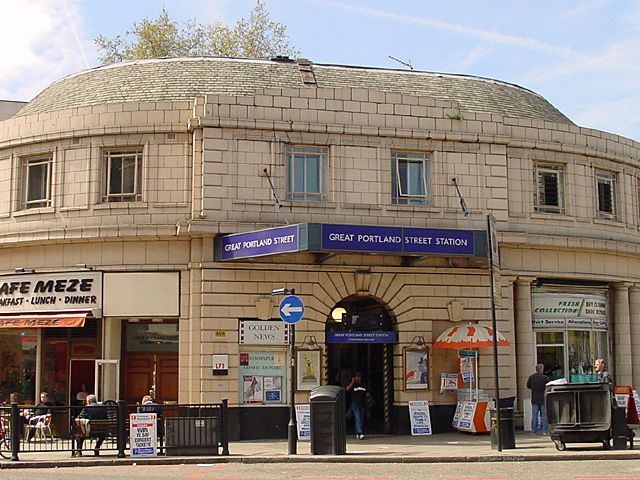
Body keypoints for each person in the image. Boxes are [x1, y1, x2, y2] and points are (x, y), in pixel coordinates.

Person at [526, 363, 550, 435]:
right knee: (544, 416)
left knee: (534, 415)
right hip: (543, 399)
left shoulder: (531, 377)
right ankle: (545, 431)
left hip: (535, 399)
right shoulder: (545, 378)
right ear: (542, 369)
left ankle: (534, 431)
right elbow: (548, 387)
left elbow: (528, 386)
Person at [346, 372, 369, 439]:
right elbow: (347, 389)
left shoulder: (363, 385)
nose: (358, 378)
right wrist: (352, 382)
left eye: (359, 377)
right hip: (355, 403)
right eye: (357, 377)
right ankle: (360, 432)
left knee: (360, 418)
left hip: (362, 403)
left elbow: (367, 392)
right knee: (357, 417)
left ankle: (357, 432)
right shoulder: (353, 385)